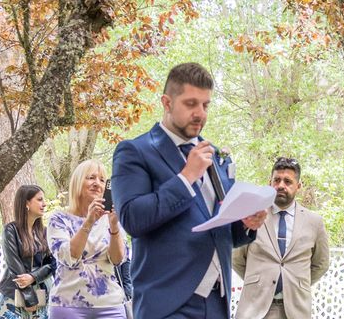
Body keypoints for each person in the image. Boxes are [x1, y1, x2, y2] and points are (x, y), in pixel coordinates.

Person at [111, 62, 267, 319]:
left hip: (217, 300)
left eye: (206, 105)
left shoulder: (216, 156)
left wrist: (247, 224)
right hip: (166, 303)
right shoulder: (135, 151)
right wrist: (186, 178)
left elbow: (220, 229)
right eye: (191, 104)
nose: (200, 113)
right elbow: (133, 219)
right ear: (167, 102)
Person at [233, 157, 330, 319]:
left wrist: (295, 284)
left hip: (295, 310)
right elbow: (237, 259)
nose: (281, 186)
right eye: (277, 180)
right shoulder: (253, 215)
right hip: (255, 308)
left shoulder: (315, 222)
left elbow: (321, 264)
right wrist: (259, 281)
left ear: (298, 186)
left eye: (287, 181)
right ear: (270, 183)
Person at [47, 160, 129, 318]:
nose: (97, 184)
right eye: (91, 177)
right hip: (68, 305)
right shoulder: (59, 218)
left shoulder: (112, 218)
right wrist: (89, 221)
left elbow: (118, 259)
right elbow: (69, 256)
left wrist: (114, 227)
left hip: (110, 305)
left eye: (102, 180)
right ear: (78, 182)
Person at [0, 185, 55, 319]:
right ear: (26, 203)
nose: (44, 204)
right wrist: (30, 298)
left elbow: (52, 264)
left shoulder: (45, 232)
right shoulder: (10, 230)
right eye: (40, 200)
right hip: (14, 297)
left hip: (41, 295)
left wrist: (33, 277)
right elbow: (15, 268)